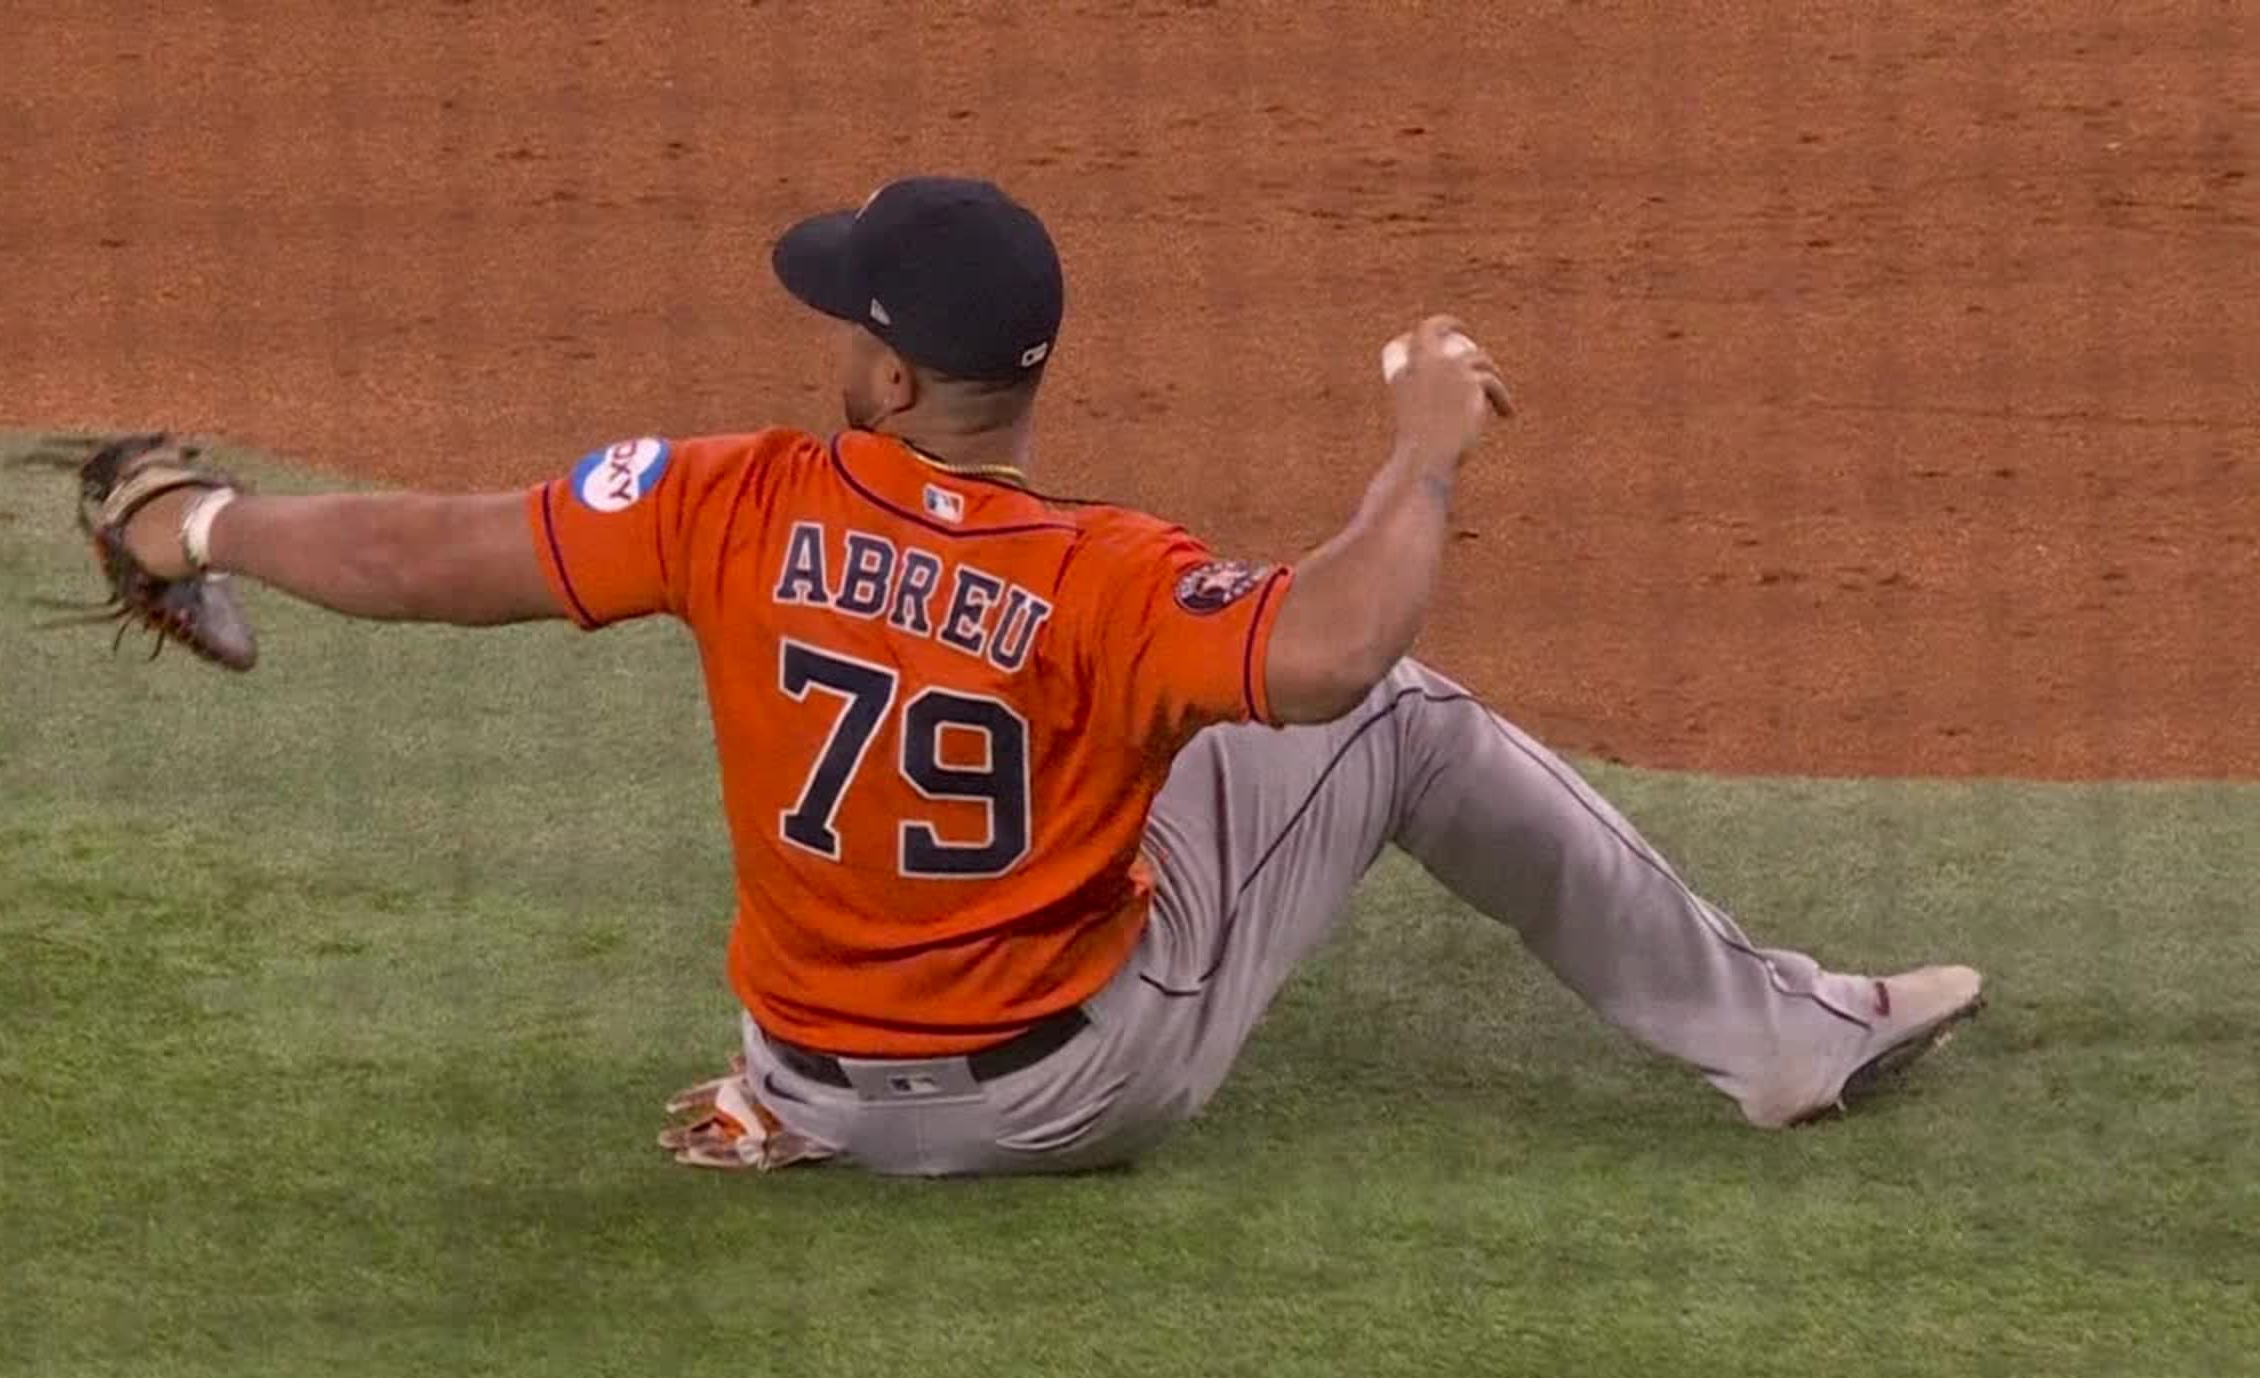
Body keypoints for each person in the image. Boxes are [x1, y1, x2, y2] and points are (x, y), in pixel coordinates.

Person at [108, 176, 1982, 1177]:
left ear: (896, 380)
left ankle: (792, 1108)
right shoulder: (1107, 576)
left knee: (1140, 736)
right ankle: (1786, 1040)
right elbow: (1332, 654)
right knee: (1391, 720)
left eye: (849, 317)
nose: (832, 332)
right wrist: (1418, 457)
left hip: (813, 1085)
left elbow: (431, 554)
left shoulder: (726, 503)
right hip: (1063, 1100)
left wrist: (199, 527)